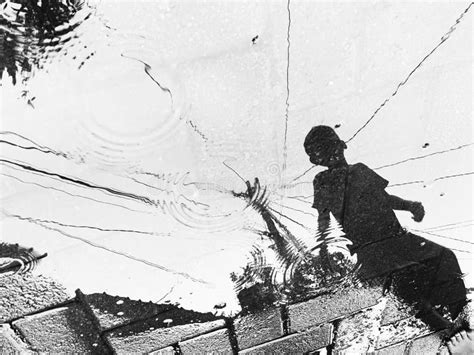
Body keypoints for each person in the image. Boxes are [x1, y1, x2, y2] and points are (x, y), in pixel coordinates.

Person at [304, 125, 467, 329]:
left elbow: (385, 199)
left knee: (445, 258)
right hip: (370, 249)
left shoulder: (360, 170)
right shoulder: (322, 181)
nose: (331, 157)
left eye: (331, 149)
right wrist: (325, 248)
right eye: (322, 154)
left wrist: (410, 205)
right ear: (317, 161)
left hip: (396, 238)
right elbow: (323, 217)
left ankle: (462, 320)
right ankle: (447, 330)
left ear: (341, 146)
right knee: (406, 286)